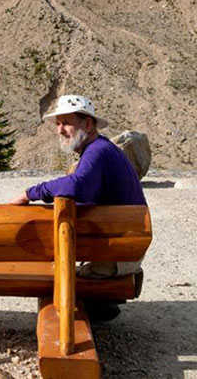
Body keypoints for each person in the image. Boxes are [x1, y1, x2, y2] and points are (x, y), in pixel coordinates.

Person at [9, 94, 148, 320]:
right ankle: (101, 303)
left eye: (66, 123)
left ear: (88, 124)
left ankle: (97, 307)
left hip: (121, 252)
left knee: (60, 281)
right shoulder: (98, 150)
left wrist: (30, 193)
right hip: (124, 246)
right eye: (58, 124)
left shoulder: (98, 151)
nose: (60, 130)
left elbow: (77, 185)